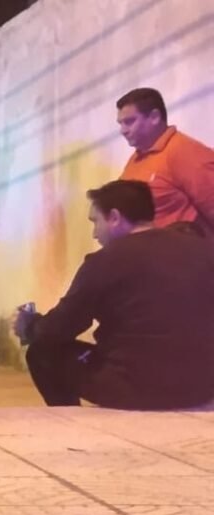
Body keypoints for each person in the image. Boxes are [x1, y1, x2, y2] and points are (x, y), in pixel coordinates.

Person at [13, 180, 214, 410]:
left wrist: (30, 326)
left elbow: (59, 329)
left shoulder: (105, 260)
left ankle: (70, 424)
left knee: (42, 352)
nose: (94, 233)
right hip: (201, 388)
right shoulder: (204, 250)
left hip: (133, 387)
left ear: (115, 218)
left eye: (96, 221)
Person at [115, 88, 214, 233]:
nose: (123, 130)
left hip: (183, 252)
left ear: (154, 117)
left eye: (129, 122)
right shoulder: (136, 159)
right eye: (121, 123)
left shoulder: (184, 152)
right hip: (146, 252)